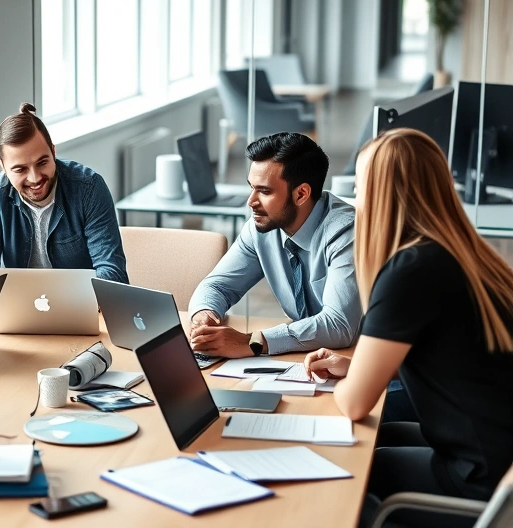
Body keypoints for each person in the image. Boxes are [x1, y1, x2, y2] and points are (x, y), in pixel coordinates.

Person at [303, 128, 513, 527]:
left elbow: (354, 404)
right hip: (498, 450)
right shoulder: (461, 252)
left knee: (348, 470)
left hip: (479, 478)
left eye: (362, 187)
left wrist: (353, 382)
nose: (355, 202)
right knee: (385, 436)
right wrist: (358, 366)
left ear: (382, 195)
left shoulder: (410, 269)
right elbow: (450, 354)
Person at [187, 132, 361, 358]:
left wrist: (253, 342)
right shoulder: (262, 228)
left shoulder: (346, 233)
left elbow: (339, 325)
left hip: (364, 364)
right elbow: (217, 286)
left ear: (301, 194)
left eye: (265, 191)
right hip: (305, 357)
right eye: (252, 187)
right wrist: (204, 314)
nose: (251, 202)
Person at [0, 103, 128, 287]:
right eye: (20, 169)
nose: (34, 179)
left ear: (53, 151)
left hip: (80, 308)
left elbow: (113, 273)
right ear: (2, 165)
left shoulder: (88, 188)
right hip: (19, 310)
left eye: (42, 162)